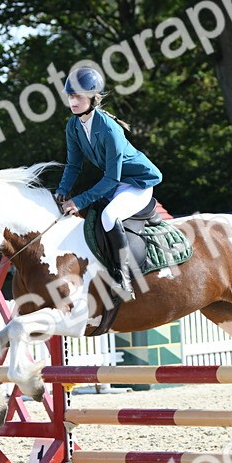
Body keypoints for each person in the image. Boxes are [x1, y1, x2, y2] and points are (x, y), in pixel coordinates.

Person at [55, 66, 162, 296]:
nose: (73, 101)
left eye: (78, 96)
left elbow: (111, 178)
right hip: (117, 183)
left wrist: (79, 200)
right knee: (91, 216)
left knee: (108, 216)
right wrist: (62, 191)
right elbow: (74, 165)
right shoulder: (73, 126)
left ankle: (123, 277)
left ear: (93, 98)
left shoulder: (109, 130)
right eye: (70, 96)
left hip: (138, 183)